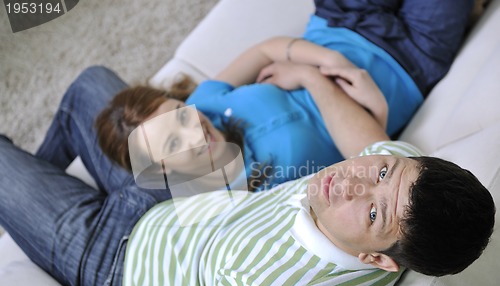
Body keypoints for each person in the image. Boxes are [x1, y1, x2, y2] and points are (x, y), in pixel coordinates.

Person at [0, 55, 495, 286]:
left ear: (378, 260)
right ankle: (36, 196)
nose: (353, 179)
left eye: (370, 209)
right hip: (183, 200)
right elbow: (380, 144)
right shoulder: (403, 184)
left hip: (114, 267)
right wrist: (310, 79)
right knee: (92, 81)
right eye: (382, 172)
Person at [94, 0, 477, 190]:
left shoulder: (206, 100)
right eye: (175, 142)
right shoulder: (256, 192)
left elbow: (265, 51)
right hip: (409, 59)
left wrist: (329, 60)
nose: (195, 128)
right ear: (164, 170)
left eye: (181, 112)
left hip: (342, 19)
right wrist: (315, 81)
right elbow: (371, 162)